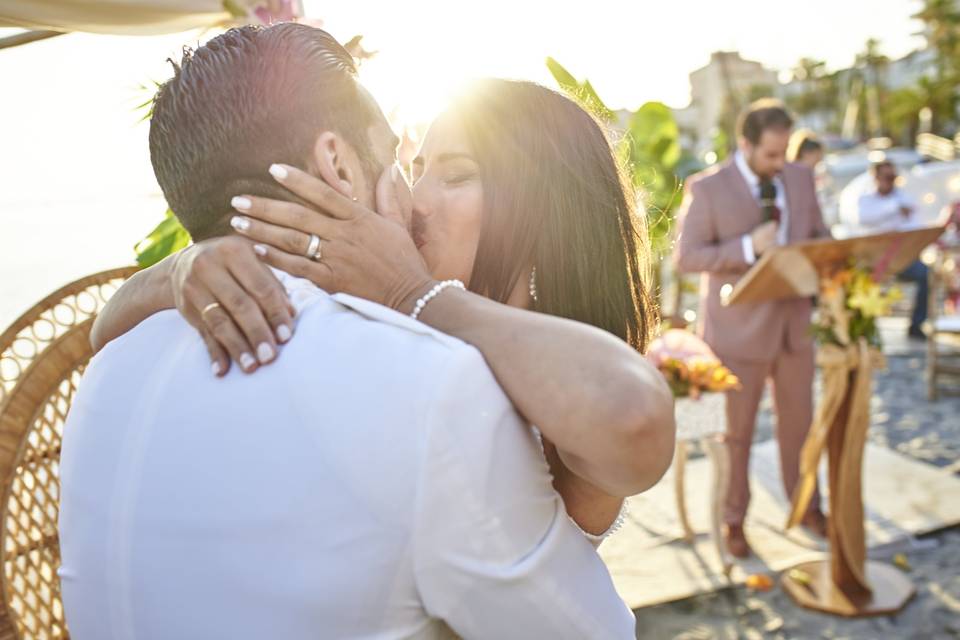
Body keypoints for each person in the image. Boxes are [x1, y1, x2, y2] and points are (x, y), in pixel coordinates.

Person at [61, 24, 674, 640]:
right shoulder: (424, 384)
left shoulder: (109, 371)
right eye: (407, 165)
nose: (414, 198)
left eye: (454, 175)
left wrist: (411, 295)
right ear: (339, 165)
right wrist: (177, 270)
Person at [674, 99, 831, 559]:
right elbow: (688, 257)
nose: (781, 164)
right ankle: (733, 518)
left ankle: (807, 506)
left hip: (796, 327)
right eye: (771, 156)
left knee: (800, 426)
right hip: (736, 333)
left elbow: (818, 234)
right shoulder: (707, 189)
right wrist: (747, 246)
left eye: (785, 154)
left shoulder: (800, 177)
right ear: (745, 144)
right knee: (735, 433)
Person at [854, 160, 928, 339]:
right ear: (876, 177)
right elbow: (865, 218)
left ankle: (917, 325)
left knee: (926, 274)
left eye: (893, 177)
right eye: (886, 177)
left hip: (900, 257)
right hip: (873, 260)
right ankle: (862, 327)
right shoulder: (866, 199)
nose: (890, 181)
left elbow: (916, 226)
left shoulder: (904, 198)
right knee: (857, 282)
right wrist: (894, 209)